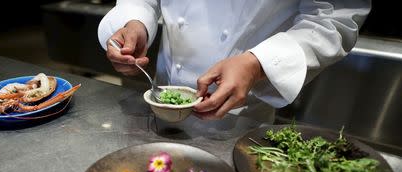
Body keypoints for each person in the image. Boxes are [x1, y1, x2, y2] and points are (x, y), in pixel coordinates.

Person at [98, 1, 370, 120]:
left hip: (240, 118)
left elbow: (333, 20)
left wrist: (258, 63)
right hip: (160, 101)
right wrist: (135, 22)